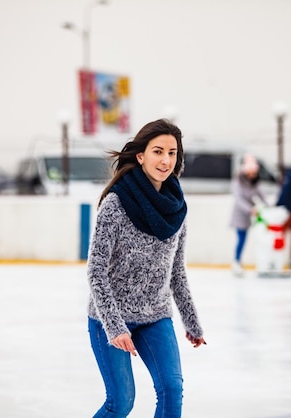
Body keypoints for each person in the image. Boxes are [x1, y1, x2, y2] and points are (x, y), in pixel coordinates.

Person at [86, 119, 206, 418]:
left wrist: (191, 321)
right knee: (121, 403)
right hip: (109, 318)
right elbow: (96, 270)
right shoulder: (116, 204)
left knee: (171, 391)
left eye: (172, 153)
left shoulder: (177, 207)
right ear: (141, 156)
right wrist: (114, 326)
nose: (166, 160)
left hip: (156, 316)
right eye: (157, 151)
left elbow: (176, 271)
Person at [229, 154, 269, 277]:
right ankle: (236, 262)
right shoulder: (238, 182)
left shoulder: (254, 182)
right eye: (250, 172)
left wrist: (270, 205)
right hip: (240, 214)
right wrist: (250, 209)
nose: (252, 174)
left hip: (249, 215)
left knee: (244, 239)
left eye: (254, 172)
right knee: (241, 238)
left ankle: (239, 261)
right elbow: (239, 199)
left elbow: (261, 194)